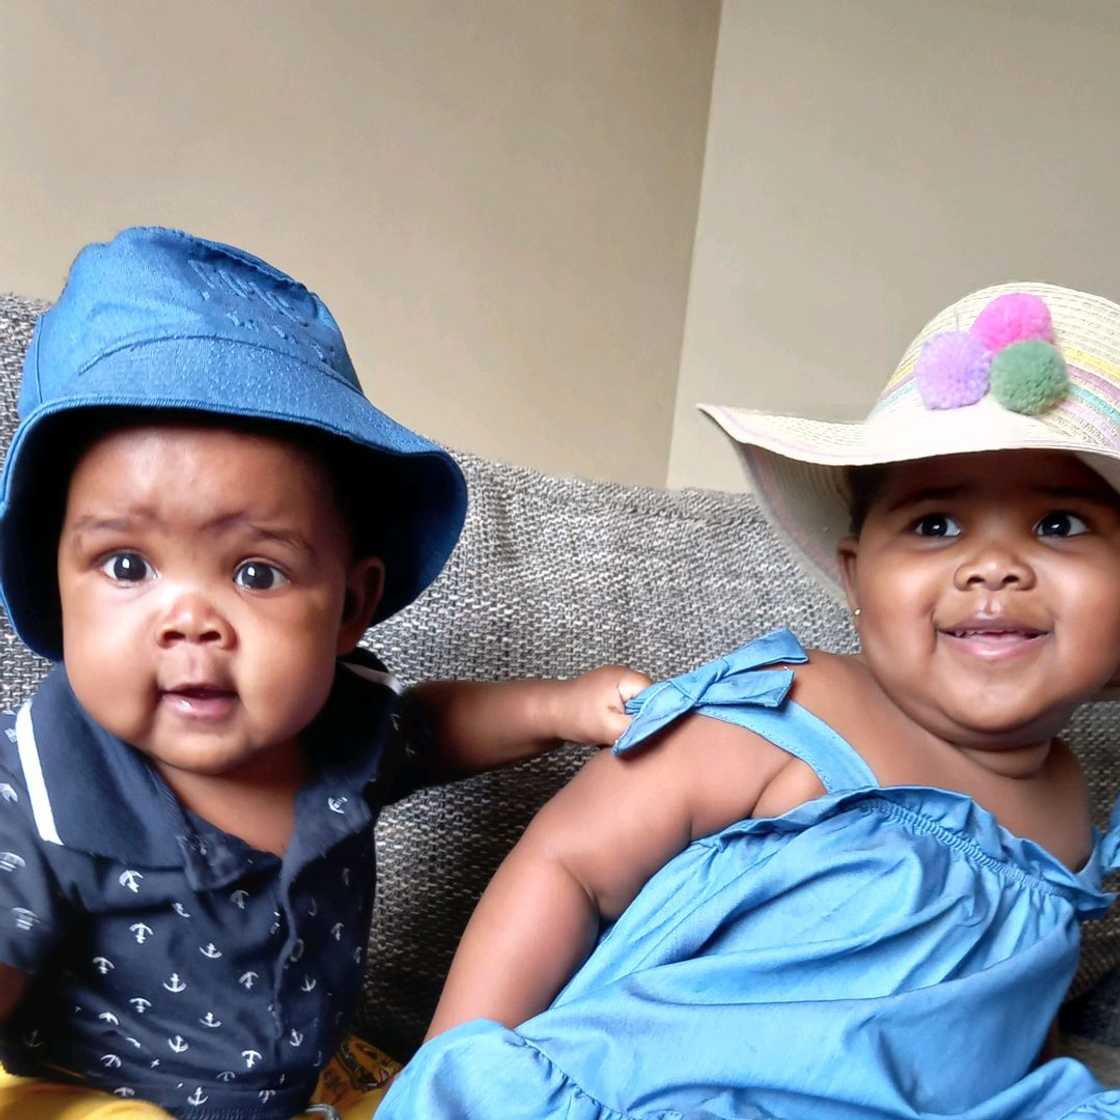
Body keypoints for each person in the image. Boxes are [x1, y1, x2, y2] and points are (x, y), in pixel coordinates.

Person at [379, 283, 1120, 1119]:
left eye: (1060, 524)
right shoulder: (790, 706)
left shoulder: (1069, 802)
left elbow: (994, 1002)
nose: (993, 566)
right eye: (936, 525)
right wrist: (456, 1072)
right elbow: (569, 867)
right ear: (857, 580)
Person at [0, 227, 647, 1119]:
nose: (190, 620)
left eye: (256, 573)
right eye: (126, 565)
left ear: (349, 607)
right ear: (53, 583)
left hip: (304, 1079)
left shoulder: (341, 727)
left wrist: (563, 707)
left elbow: (433, 729)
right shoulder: (38, 788)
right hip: (81, 1095)